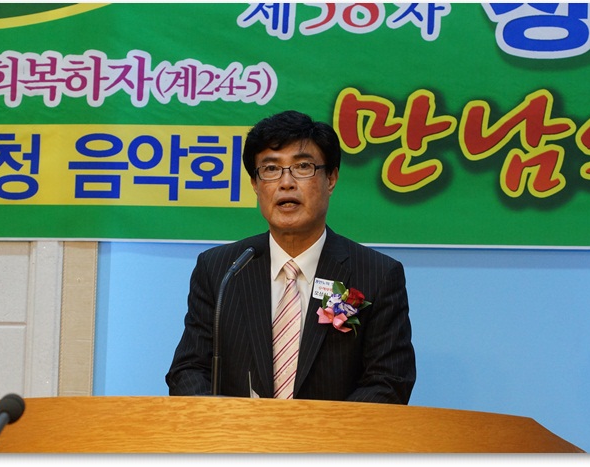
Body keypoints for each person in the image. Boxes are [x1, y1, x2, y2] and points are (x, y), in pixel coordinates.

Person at [165, 110, 416, 404]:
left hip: (333, 434)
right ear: (255, 184)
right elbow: (188, 370)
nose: (286, 182)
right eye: (271, 169)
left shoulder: (377, 274)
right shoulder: (221, 269)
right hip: (236, 433)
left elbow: (389, 380)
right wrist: (228, 424)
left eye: (302, 167)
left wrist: (317, 429)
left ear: (331, 178)